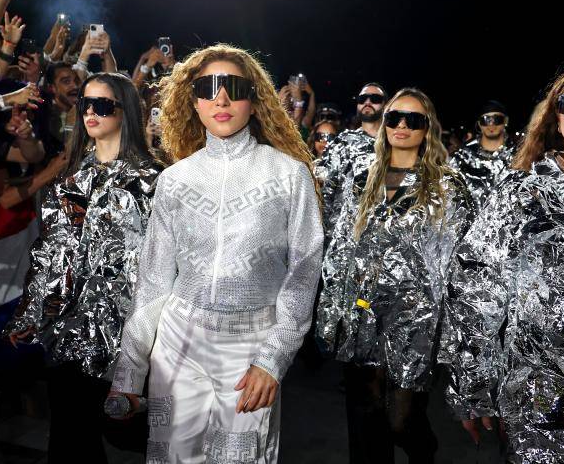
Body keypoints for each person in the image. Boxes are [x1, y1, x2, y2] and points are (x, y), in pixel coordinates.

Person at [109, 44, 323, 463]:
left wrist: (272, 359)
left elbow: (303, 273)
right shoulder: (174, 180)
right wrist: (129, 373)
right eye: (208, 88)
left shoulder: (290, 175)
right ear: (193, 101)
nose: (220, 99)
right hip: (177, 342)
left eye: (234, 87)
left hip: (251, 344)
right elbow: (153, 280)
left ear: (254, 100)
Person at [446, 62, 564, 463]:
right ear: (556, 114)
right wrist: (474, 386)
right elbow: (476, 292)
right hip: (543, 402)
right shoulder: (519, 195)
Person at [4, 71, 161, 463]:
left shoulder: (153, 180)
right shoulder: (70, 175)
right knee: (70, 437)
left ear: (126, 111)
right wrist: (31, 312)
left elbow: (161, 264)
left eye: (103, 105)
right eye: (85, 104)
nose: (91, 112)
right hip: (68, 328)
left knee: (128, 429)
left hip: (125, 331)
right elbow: (53, 251)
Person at [317, 88, 474, 464]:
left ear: (428, 129)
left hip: (414, 322)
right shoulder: (362, 179)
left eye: (413, 120)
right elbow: (339, 247)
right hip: (361, 313)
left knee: (401, 420)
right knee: (365, 416)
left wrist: (456, 334)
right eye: (394, 118)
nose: (402, 125)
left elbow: (462, 264)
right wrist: (329, 312)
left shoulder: (448, 186)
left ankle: (425, 451)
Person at [315, 82, 387, 240]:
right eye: (362, 99)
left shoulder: (394, 145)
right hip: (340, 238)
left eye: (374, 98)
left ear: (385, 105)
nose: (367, 102)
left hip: (379, 239)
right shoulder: (343, 142)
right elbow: (325, 190)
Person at [449, 100, 515, 211]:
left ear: (505, 121)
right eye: (486, 120)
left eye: (496, 119)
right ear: (479, 124)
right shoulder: (464, 156)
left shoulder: (518, 154)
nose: (491, 124)